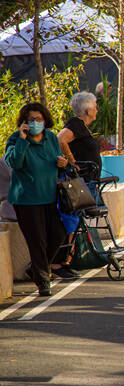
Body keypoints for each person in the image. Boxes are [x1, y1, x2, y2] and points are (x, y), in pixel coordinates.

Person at [3, 103, 70, 296]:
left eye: (38, 119)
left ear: (45, 120)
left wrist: (63, 163)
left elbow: (57, 162)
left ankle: (36, 269)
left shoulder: (50, 138)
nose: (35, 123)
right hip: (26, 200)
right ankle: (43, 281)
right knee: (37, 241)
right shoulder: (16, 139)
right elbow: (14, 162)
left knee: (58, 234)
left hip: (49, 196)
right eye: (31, 120)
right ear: (24, 122)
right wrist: (23, 139)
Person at [58, 92, 101, 181]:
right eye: (95, 107)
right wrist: (72, 162)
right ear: (88, 111)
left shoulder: (82, 126)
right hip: (82, 181)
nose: (97, 110)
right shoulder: (76, 124)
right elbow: (60, 140)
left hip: (89, 180)